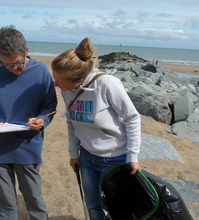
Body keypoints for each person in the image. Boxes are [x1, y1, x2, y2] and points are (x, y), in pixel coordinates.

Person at [51, 38, 141, 220]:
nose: (55, 85)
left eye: (59, 81)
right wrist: (73, 154)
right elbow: (70, 122)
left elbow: (132, 118)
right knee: (93, 206)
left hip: (114, 159)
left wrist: (133, 156)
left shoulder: (107, 84)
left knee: (117, 209)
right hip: (86, 157)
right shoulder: (66, 89)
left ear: (80, 79)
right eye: (55, 80)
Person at [0, 25, 57, 220]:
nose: (14, 69)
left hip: (28, 146)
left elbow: (51, 106)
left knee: (34, 198)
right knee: (6, 200)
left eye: (18, 63)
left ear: (27, 51)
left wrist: (42, 121)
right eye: (7, 65)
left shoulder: (41, 72)